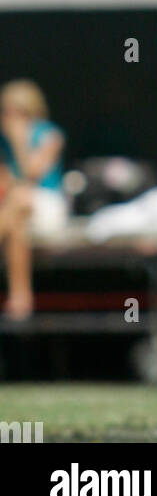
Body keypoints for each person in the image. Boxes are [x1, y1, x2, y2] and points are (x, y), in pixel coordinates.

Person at [0, 80, 67, 319]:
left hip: (48, 204)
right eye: (5, 111)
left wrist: (19, 143)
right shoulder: (2, 142)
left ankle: (20, 296)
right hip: (18, 211)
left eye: (16, 111)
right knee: (17, 218)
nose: (9, 118)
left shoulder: (50, 134)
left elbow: (32, 172)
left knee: (20, 200)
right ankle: (21, 297)